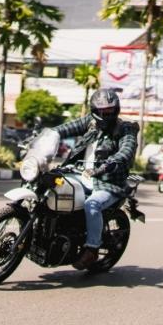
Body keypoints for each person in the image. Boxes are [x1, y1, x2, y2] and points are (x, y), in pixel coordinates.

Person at [53, 89, 138, 270]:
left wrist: (113, 161)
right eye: (102, 112)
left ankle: (92, 248)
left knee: (92, 204)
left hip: (109, 183)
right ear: (95, 111)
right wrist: (47, 135)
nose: (107, 115)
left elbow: (127, 150)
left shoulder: (125, 129)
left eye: (110, 111)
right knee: (51, 187)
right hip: (80, 175)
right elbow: (65, 129)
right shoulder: (90, 123)